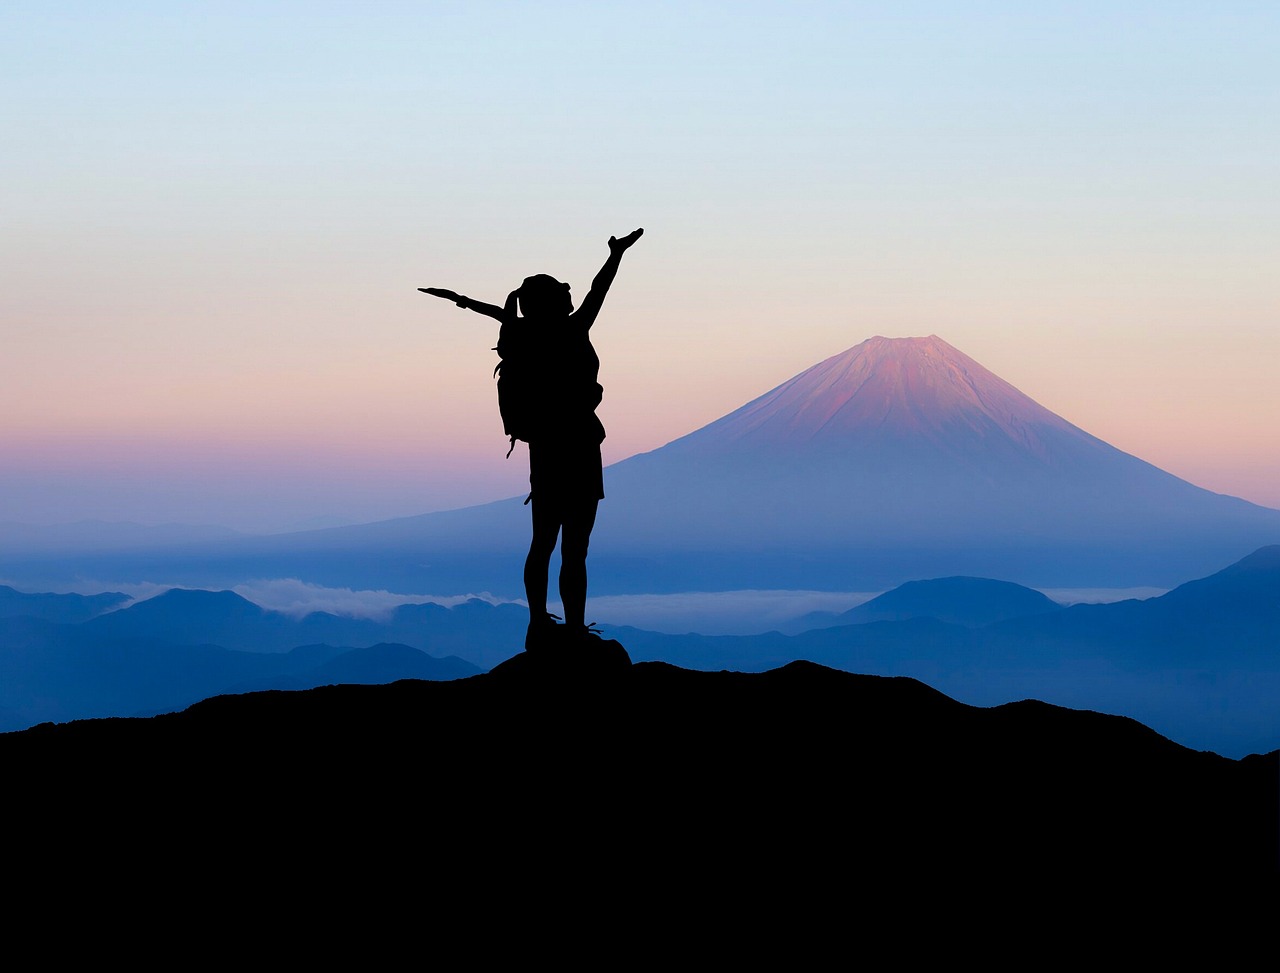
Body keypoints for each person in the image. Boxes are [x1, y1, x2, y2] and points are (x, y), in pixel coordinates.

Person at [421, 228, 643, 650]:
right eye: (563, 293)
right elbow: (600, 290)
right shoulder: (574, 329)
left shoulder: (523, 336)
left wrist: (461, 300)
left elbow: (499, 315)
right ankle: (574, 628)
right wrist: (616, 255)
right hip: (579, 445)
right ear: (556, 302)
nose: (571, 296)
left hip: (544, 450)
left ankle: (538, 622)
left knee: (542, 541)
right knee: (575, 547)